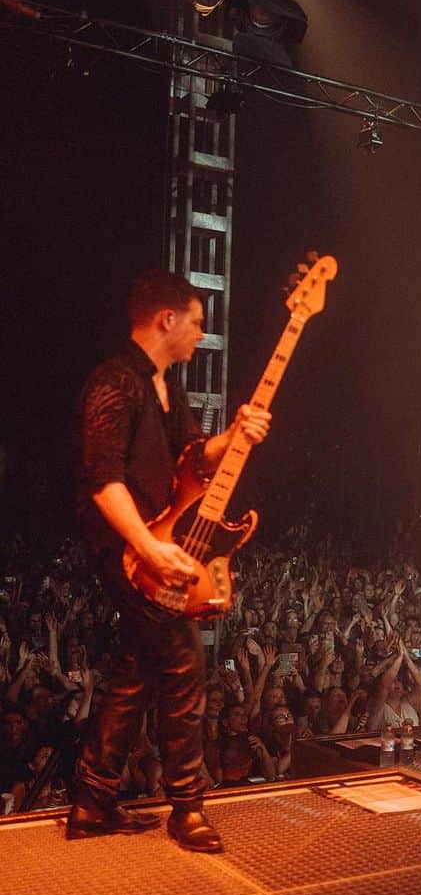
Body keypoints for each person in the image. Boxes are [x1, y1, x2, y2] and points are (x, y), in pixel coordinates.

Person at [66, 269, 270, 852]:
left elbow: (191, 458)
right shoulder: (115, 383)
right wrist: (148, 545)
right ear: (167, 319)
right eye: (198, 324)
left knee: (132, 671)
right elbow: (102, 481)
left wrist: (235, 434)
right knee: (184, 666)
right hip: (128, 551)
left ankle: (92, 802)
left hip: (152, 544)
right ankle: (188, 808)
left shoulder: (164, 388)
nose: (202, 337)